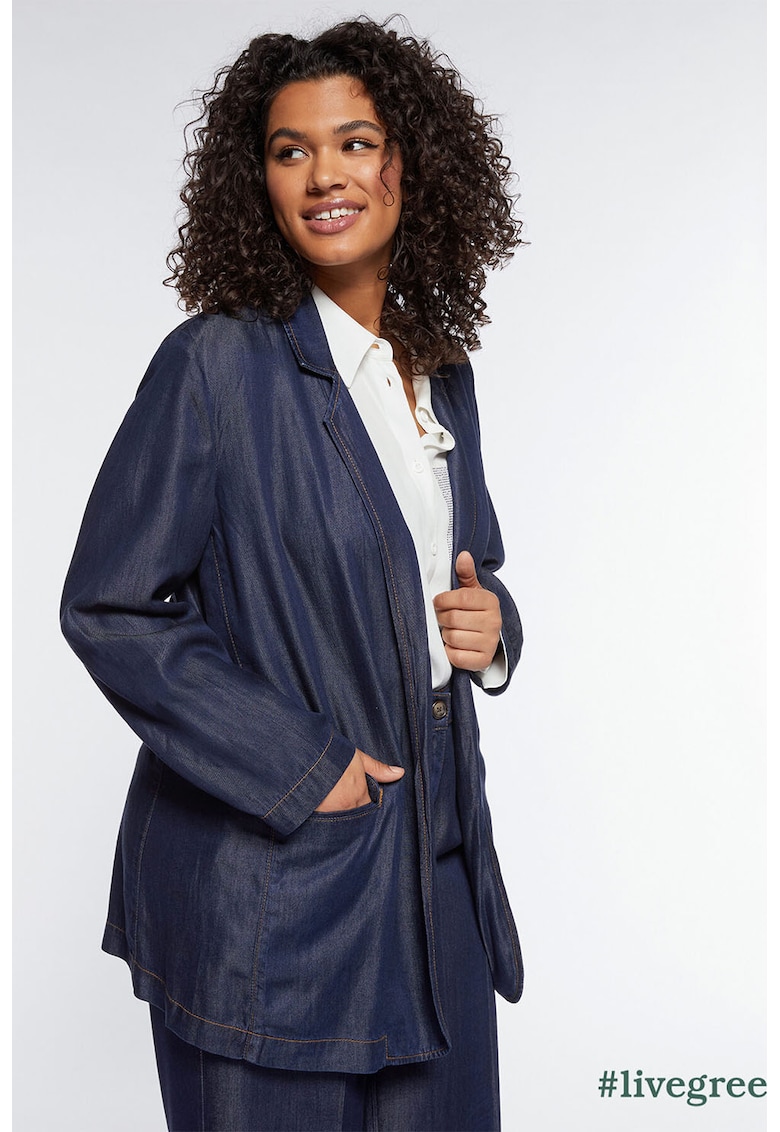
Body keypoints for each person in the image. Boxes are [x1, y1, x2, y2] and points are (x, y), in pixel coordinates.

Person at [61, 16, 524, 1132]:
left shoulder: (438, 372)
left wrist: (495, 626)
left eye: (355, 143)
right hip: (273, 900)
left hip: (438, 884)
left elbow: (462, 563)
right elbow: (113, 605)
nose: (325, 175)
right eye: (290, 150)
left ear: (410, 162)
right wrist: (301, 765)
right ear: (257, 182)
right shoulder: (216, 364)